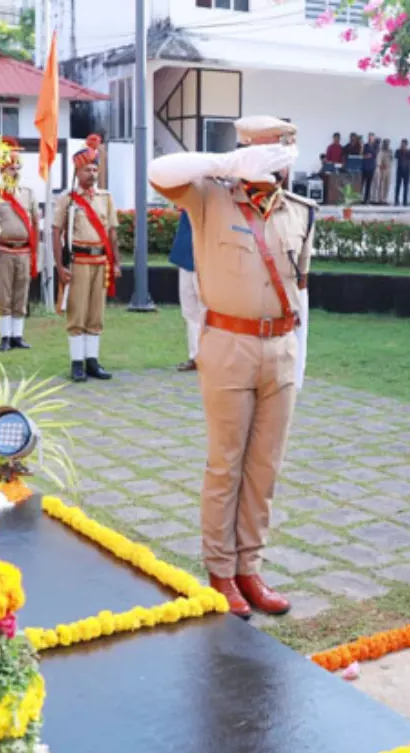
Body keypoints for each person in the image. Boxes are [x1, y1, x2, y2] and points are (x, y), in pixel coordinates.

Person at [147, 114, 315, 619]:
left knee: (265, 467)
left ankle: (250, 567)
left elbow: (301, 293)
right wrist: (226, 163)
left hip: (279, 348)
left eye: (281, 149)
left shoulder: (302, 212)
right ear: (244, 151)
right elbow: (159, 170)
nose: (275, 158)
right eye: (263, 149)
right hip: (228, 344)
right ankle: (220, 570)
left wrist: (299, 360)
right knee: (226, 464)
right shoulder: (208, 197)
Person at [53, 136, 119, 383]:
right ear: (77, 171)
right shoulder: (67, 199)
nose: (92, 174)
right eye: (87, 169)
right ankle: (77, 363)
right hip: (78, 262)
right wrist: (60, 266)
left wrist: (117, 262)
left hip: (100, 262)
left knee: (95, 315)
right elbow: (56, 231)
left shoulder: (106, 197)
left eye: (94, 169)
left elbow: (112, 232)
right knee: (77, 314)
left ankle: (93, 361)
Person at [0, 136, 38, 352]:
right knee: (4, 295)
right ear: (3, 171)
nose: (15, 171)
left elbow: (36, 225)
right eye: (11, 168)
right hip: (4, 251)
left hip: (24, 252)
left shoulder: (29, 194)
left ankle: (18, 336)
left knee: (21, 294)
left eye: (17, 167)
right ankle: (5, 337)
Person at [172, 210, 202, 372]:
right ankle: (195, 356)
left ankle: (209, 356)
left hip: (206, 259)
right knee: (189, 311)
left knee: (206, 310)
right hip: (185, 257)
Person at [372, 135, 394, 204]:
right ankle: (380, 199)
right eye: (385, 143)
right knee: (381, 185)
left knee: (387, 185)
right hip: (382, 170)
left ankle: (385, 199)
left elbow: (391, 160)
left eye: (388, 143)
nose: (387, 144)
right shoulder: (381, 151)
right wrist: (381, 166)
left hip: (389, 170)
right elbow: (378, 161)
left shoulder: (390, 151)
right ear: (383, 143)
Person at [394, 138, 410, 206]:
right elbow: (396, 156)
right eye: (401, 144)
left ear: (406, 144)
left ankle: (405, 201)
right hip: (399, 171)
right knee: (398, 186)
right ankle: (396, 201)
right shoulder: (398, 151)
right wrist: (401, 150)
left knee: (406, 187)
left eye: (404, 144)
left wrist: (406, 151)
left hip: (407, 171)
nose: (402, 145)